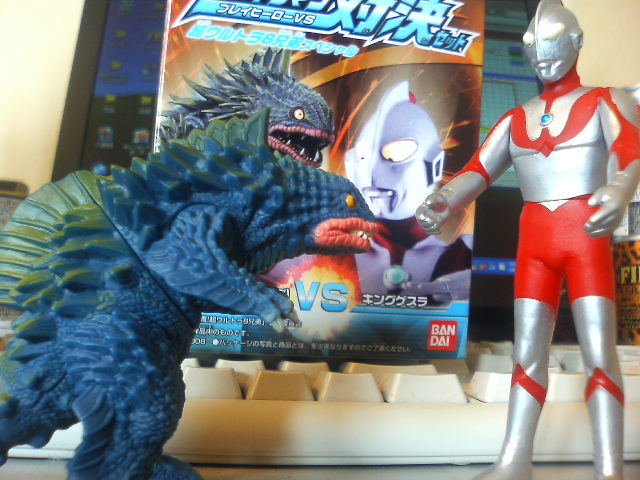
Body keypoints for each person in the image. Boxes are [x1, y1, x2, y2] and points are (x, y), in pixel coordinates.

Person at [416, 1, 640, 479]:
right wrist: (444, 200)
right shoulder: (515, 118)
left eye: (553, 42)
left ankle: (610, 471)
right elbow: (478, 169)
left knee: (599, 355)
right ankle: (514, 460)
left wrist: (620, 188)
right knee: (526, 355)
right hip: (535, 244)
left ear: (576, 42)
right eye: (534, 45)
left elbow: (628, 145)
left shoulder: (606, 100)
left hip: (585, 240)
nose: (543, 54)